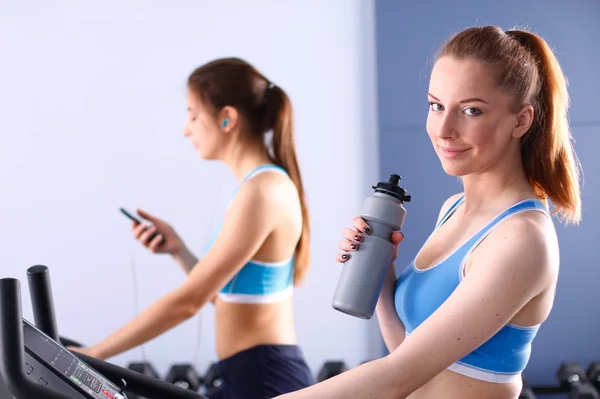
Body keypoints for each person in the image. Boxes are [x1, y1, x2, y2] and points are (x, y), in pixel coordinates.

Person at [276, 25, 582, 399]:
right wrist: (382, 269)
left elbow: (396, 377)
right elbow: (408, 355)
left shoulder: (522, 238)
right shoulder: (453, 209)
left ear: (521, 120)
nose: (444, 129)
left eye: (471, 110)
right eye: (436, 105)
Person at [70, 58, 315, 398]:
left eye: (193, 114)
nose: (186, 129)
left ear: (227, 117)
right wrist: (179, 251)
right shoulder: (256, 187)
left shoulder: (263, 190)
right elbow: (230, 298)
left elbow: (189, 302)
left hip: (266, 379)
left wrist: (91, 356)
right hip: (247, 375)